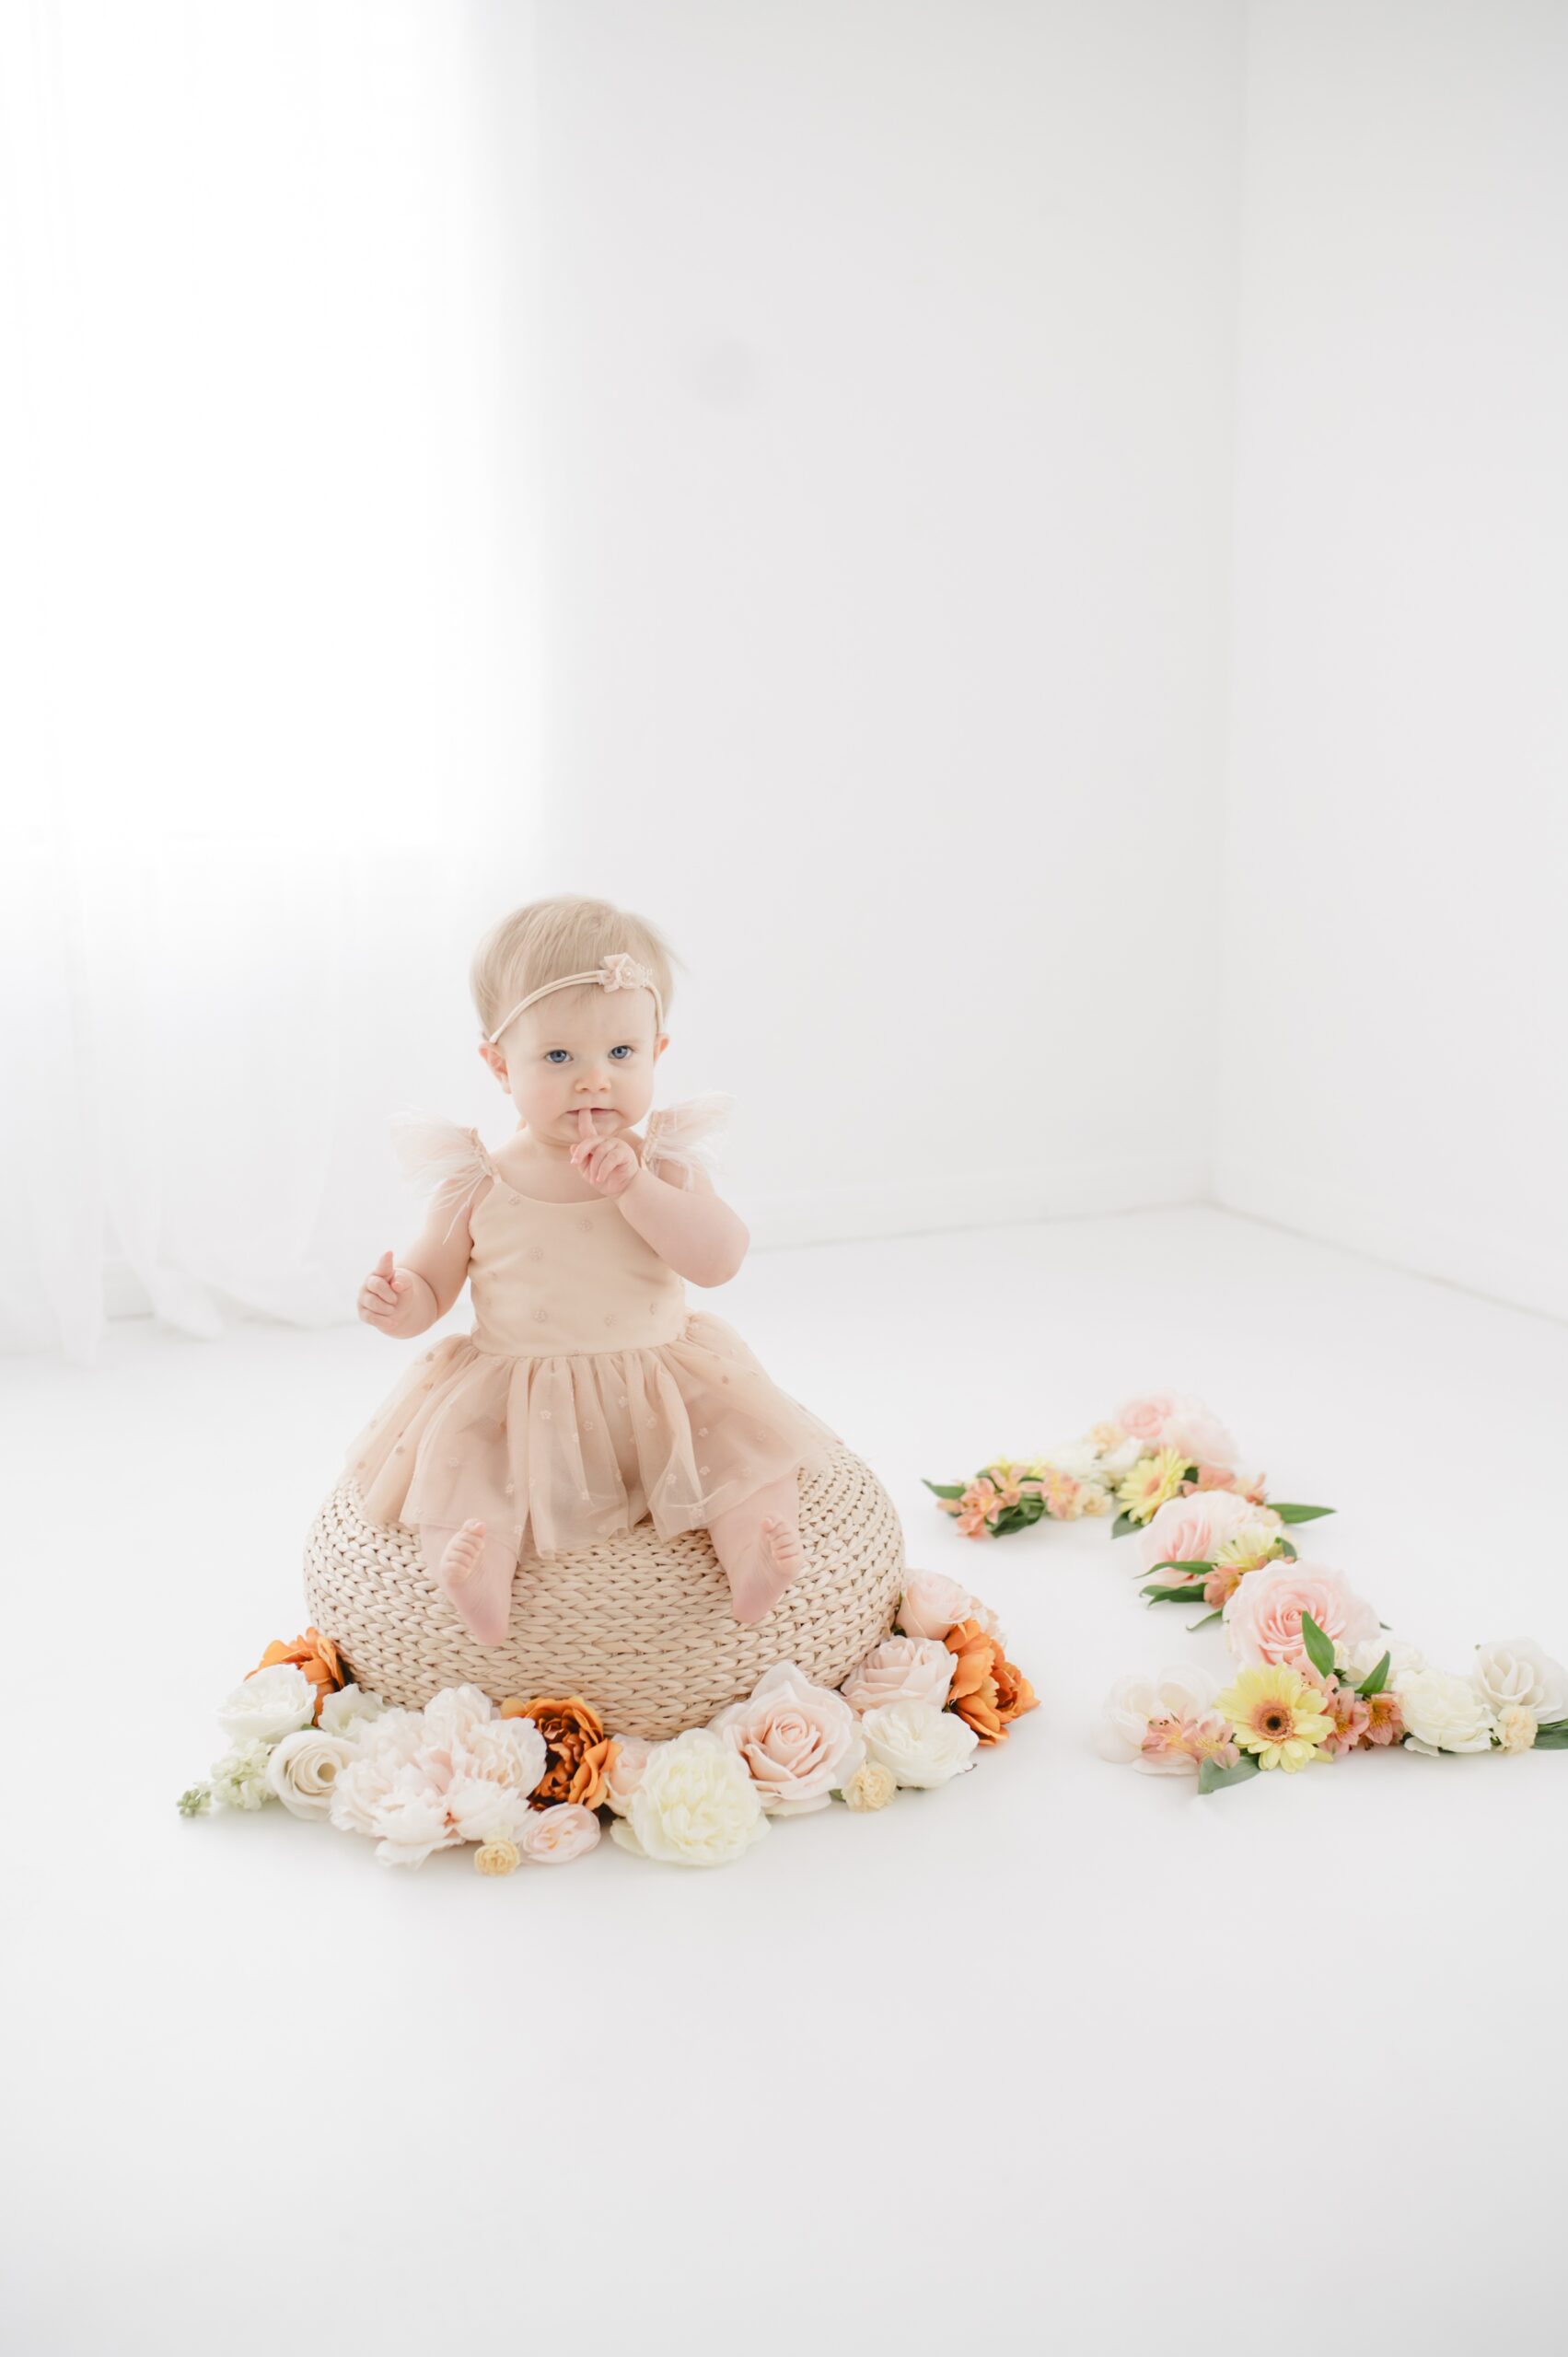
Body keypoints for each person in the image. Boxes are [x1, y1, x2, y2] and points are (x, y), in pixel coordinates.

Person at [345, 895, 842, 1643]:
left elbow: (718, 1260)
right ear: (497, 1066)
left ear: (656, 1053)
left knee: (743, 1455)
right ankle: (475, 1574)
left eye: (619, 1055)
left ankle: (754, 1557)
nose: (593, 1081)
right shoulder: (475, 1176)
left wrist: (634, 1189)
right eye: (557, 1058)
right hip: (518, 1393)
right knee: (466, 1475)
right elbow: (432, 1282)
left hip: (662, 1386)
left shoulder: (663, 1162)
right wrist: (399, 1299)